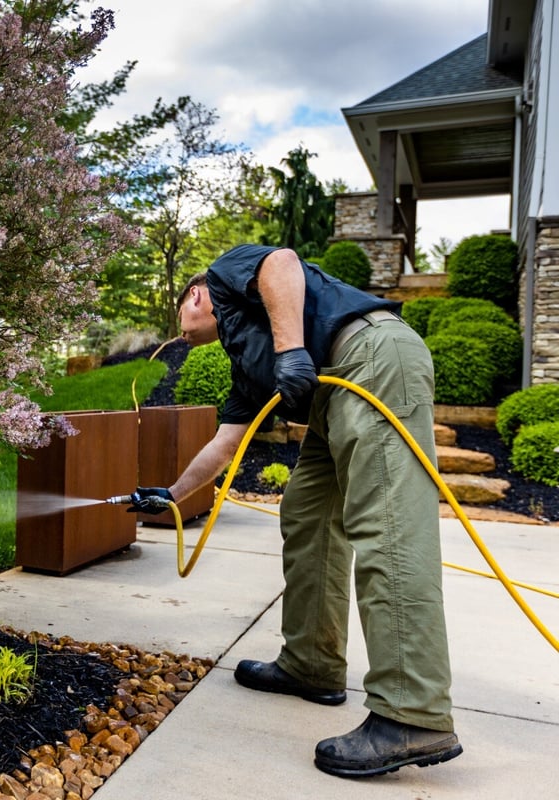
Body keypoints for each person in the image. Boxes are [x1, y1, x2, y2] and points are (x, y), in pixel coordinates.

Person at [127, 243, 462, 778]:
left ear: (195, 295)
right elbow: (224, 446)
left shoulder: (223, 274)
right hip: (339, 391)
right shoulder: (245, 362)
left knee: (389, 530)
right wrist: (171, 494)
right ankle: (312, 664)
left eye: (180, 317)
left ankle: (412, 713)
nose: (181, 331)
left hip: (371, 359)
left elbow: (279, 261)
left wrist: (290, 351)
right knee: (307, 516)